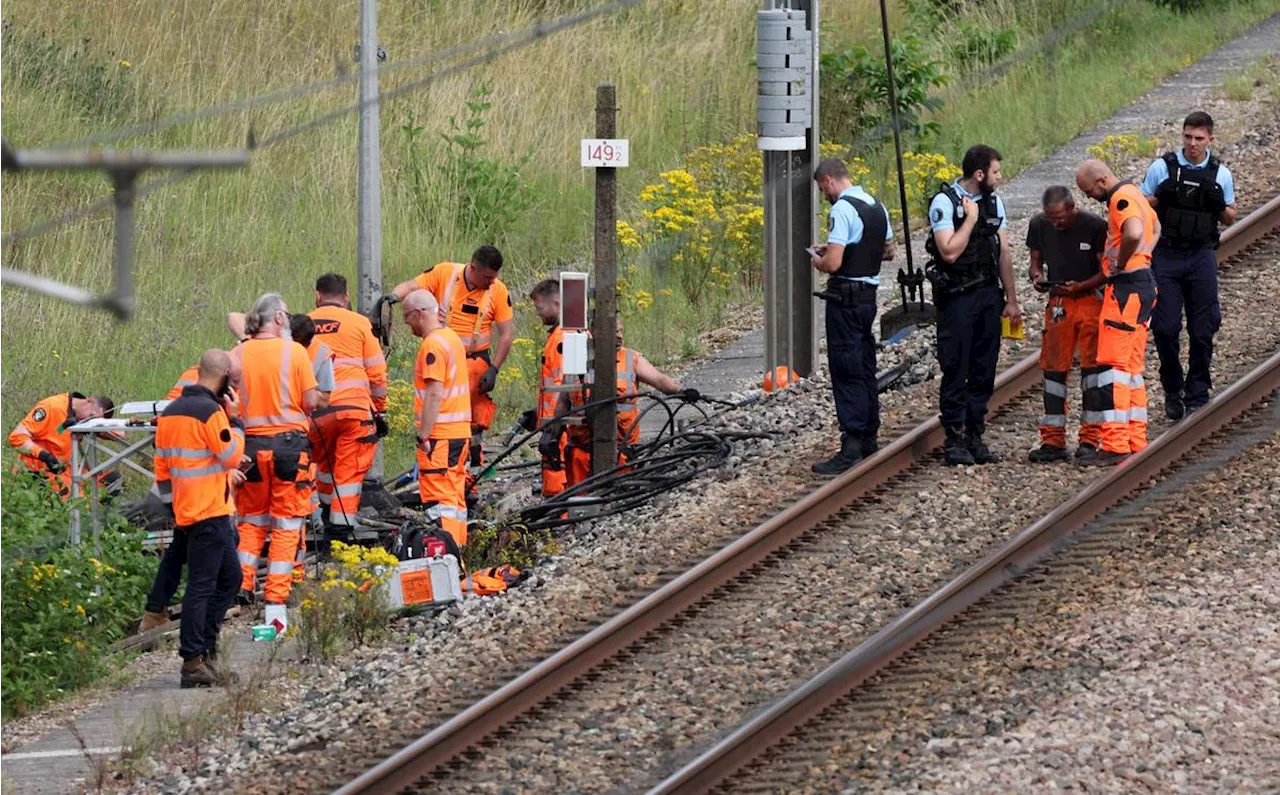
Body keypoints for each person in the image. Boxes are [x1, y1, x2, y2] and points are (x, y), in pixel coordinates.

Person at [152, 350, 246, 688]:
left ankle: (205, 649)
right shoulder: (211, 413)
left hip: (190, 510)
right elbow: (230, 456)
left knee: (230, 579)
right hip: (210, 511)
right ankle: (193, 663)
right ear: (222, 378)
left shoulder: (170, 412)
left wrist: (173, 507)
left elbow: (161, 468)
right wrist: (234, 420)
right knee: (203, 586)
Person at [925, 144, 1022, 465]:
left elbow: (1003, 252)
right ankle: (954, 439)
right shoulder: (945, 203)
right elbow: (949, 251)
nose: (1000, 177)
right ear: (979, 174)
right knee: (956, 368)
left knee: (984, 369)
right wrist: (969, 220)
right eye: (995, 172)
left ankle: (975, 435)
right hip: (956, 299)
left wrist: (1011, 300)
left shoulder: (994, 202)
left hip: (987, 295)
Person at [1139, 110, 1237, 419]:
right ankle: (1173, 388)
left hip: (1200, 256)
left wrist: (1217, 202)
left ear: (1210, 139)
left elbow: (1230, 216)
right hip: (1166, 256)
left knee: (1203, 328)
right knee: (1166, 328)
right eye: (1187, 137)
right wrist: (1160, 198)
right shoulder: (1162, 168)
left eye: (1198, 138)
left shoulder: (1220, 173)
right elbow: (1139, 206)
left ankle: (1198, 389)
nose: (1192, 144)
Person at [233, 293, 321, 631]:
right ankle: (276, 596)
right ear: (281, 319)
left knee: (251, 520)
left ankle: (241, 586)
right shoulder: (295, 351)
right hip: (289, 448)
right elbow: (310, 400)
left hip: (251, 448)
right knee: (286, 524)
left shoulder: (238, 353)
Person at [391, 245, 515, 470]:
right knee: (440, 416)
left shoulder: (497, 290)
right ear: (473, 267)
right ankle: (442, 464)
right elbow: (410, 287)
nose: (491, 282)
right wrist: (390, 299)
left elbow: (507, 335)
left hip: (476, 364)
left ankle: (472, 476)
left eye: (495, 278)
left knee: (476, 423)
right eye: (487, 277)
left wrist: (494, 368)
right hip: (444, 361)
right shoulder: (445, 273)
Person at [809, 157, 896, 474]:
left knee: (845, 367)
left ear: (829, 181)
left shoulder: (842, 209)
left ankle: (852, 442)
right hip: (868, 298)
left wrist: (818, 259)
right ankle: (869, 434)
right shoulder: (876, 205)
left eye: (822, 189)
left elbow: (833, 264)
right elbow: (888, 251)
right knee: (864, 363)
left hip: (845, 300)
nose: (824, 195)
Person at [1075, 159, 1160, 465]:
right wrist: (1143, 257)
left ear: (1101, 180)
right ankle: (1136, 438)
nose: (1088, 198)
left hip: (1126, 288)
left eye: (1088, 190)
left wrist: (1122, 263)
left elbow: (1135, 232)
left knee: (1113, 367)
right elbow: (1155, 226)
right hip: (1144, 284)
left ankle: (1114, 443)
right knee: (1132, 368)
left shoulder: (1120, 199)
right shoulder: (1135, 193)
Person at [1026, 186, 1109, 463]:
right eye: (1051, 218)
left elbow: (1106, 271)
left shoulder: (1095, 226)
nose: (1056, 223)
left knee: (1092, 371)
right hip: (1059, 303)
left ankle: (1090, 439)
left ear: (1073, 208)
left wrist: (1081, 286)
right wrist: (1037, 276)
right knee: (1053, 370)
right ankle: (1052, 440)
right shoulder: (1039, 225)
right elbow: (1035, 261)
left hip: (1089, 301)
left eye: (1060, 217)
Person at [556, 316, 685, 488]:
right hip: (581, 454)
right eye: (614, 331)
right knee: (580, 505)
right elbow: (563, 402)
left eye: (620, 331)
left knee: (620, 499)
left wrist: (681, 391)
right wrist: (552, 435)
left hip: (621, 452)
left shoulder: (630, 358)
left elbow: (659, 380)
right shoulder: (577, 357)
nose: (619, 336)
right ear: (594, 333)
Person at [308, 273, 389, 538]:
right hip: (353, 411)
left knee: (324, 465)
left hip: (316, 413)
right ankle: (341, 527)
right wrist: (380, 410)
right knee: (348, 469)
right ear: (346, 298)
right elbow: (377, 373)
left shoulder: (303, 324)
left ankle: (324, 512)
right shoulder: (359, 324)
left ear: (318, 296)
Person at [403, 290, 472, 548]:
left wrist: (424, 433)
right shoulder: (451, 338)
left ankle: (444, 556)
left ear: (419, 314)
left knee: (439, 501)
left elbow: (434, 392)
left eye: (407, 316)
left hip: (440, 435)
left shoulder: (432, 344)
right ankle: (459, 552)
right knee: (454, 499)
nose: (406, 322)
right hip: (458, 432)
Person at [9, 392, 114, 496]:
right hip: (35, 473)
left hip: (62, 473)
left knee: (111, 480)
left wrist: (99, 427)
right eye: (90, 416)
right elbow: (17, 436)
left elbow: (121, 433)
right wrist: (45, 456)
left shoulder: (81, 420)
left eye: (93, 420)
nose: (88, 421)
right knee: (79, 504)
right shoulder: (52, 407)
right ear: (89, 401)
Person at [529, 278, 568, 496]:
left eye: (540, 307)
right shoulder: (556, 336)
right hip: (555, 424)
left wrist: (555, 426)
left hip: (561, 428)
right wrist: (538, 414)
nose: (538, 313)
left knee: (559, 483)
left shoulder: (564, 337)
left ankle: (561, 521)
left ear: (556, 303)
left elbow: (567, 386)